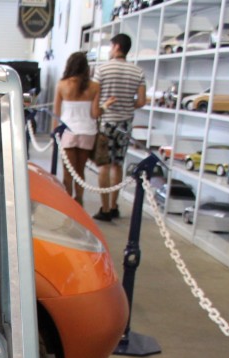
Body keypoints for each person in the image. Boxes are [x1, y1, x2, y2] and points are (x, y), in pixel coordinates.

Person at [92, 33, 146, 222]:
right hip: (125, 124)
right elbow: (141, 101)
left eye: (110, 46)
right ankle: (114, 205)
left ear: (116, 46)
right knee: (118, 165)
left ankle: (105, 208)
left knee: (104, 166)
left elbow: (95, 99)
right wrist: (127, 103)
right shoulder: (137, 72)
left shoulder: (102, 70)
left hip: (107, 122)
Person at [53, 51, 101, 205]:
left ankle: (68, 204)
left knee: (68, 172)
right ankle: (79, 201)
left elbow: (56, 112)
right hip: (87, 132)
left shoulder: (62, 85)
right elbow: (95, 114)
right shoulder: (94, 87)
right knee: (80, 171)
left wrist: (54, 133)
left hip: (67, 131)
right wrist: (105, 107)